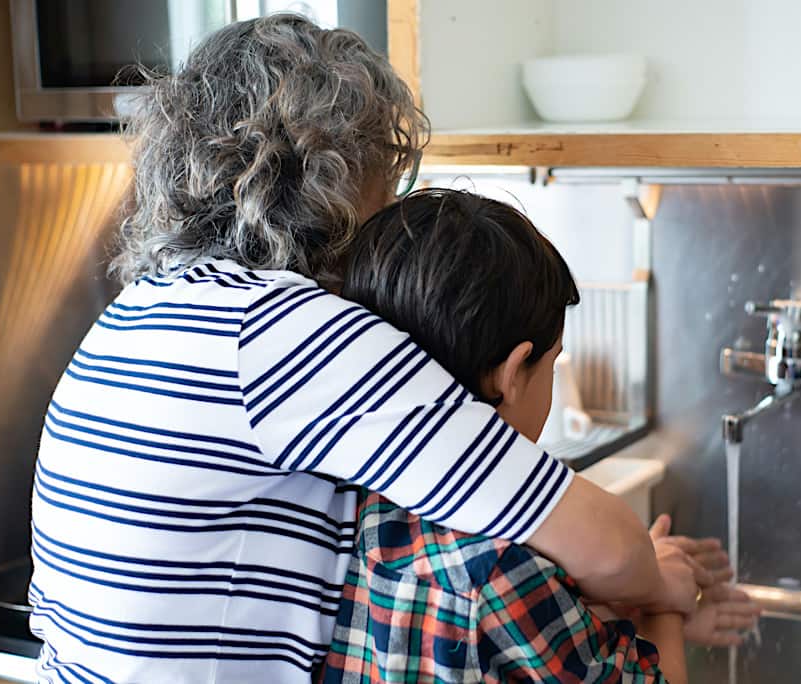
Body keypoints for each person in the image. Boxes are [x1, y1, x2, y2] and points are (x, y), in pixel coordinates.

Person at [29, 15, 697, 683]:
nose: (390, 207)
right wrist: (664, 593)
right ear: (336, 178)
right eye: (387, 176)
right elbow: (605, 545)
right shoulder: (278, 330)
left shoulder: (143, 309)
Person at [320, 189, 761, 683]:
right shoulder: (501, 564)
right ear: (510, 375)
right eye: (551, 362)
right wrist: (666, 606)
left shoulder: (336, 498)